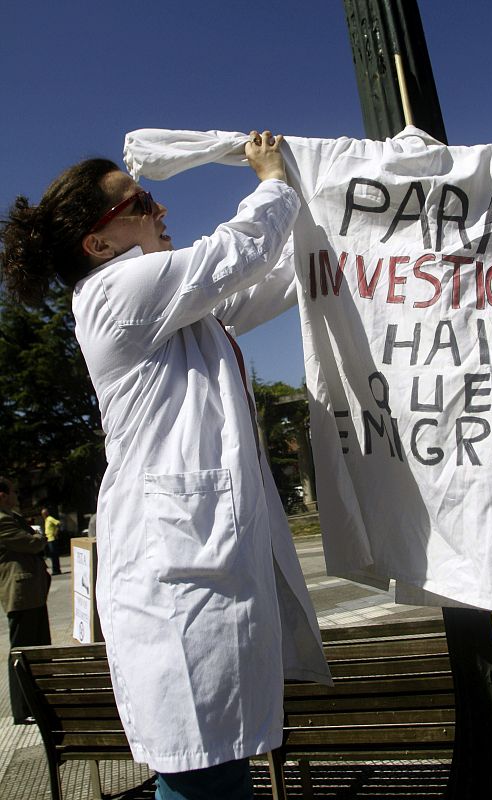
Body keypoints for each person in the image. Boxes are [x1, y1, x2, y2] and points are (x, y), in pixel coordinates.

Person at [0, 130, 330, 800]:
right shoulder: (114, 291)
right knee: (201, 772)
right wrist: (271, 179)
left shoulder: (170, 308)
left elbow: (258, 286)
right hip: (175, 569)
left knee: (216, 764)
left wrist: (334, 244)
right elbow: (237, 253)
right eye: (142, 203)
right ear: (98, 243)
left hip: (199, 561)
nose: (161, 212)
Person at [0, 478, 51, 724]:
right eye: (14, 491)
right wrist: (38, 539)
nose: (17, 495)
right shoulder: (2, 520)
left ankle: (39, 701)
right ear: (2, 495)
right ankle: (23, 709)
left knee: (38, 646)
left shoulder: (11, 516)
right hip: (20, 594)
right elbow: (33, 542)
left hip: (31, 592)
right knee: (22, 650)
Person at [41, 507, 62, 575]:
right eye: (42, 514)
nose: (43, 515)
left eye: (44, 513)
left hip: (52, 539)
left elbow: (58, 523)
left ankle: (56, 570)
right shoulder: (46, 520)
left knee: (54, 555)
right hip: (49, 539)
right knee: (52, 555)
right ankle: (55, 570)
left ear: (46, 513)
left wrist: (56, 532)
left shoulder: (50, 518)